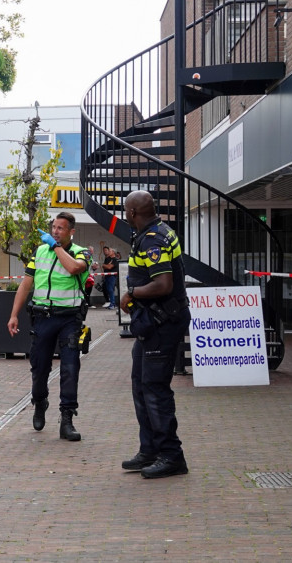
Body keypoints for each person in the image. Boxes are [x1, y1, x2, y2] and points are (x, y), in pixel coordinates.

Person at [119, 190, 192, 479]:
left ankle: (172, 456)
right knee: (141, 384)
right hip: (154, 323)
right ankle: (149, 450)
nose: (125, 214)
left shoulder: (153, 240)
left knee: (155, 388)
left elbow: (163, 284)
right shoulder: (154, 232)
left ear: (133, 213)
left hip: (163, 323)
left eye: (126, 210)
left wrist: (131, 294)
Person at [6, 212, 92, 441]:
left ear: (71, 232)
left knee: (70, 368)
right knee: (39, 367)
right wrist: (14, 315)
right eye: (54, 227)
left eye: (61, 228)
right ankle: (40, 401)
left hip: (69, 319)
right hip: (43, 317)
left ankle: (67, 419)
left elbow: (74, 268)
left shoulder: (81, 253)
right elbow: (26, 285)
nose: (55, 231)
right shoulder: (39, 252)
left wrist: (56, 247)